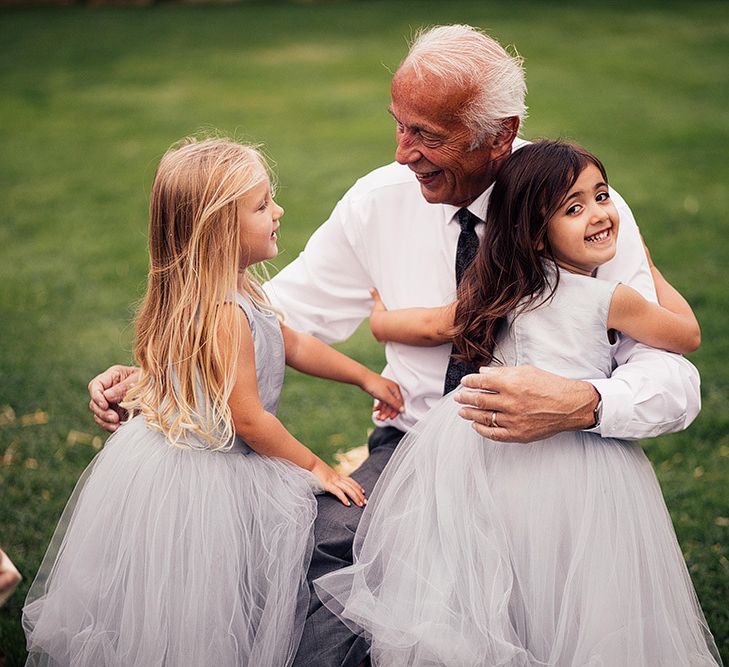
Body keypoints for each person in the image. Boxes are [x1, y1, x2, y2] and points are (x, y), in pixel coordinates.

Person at [88, 26, 701, 666]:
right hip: (411, 448)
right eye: (399, 125)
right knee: (323, 579)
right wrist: (170, 374)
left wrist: (583, 404)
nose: (403, 153)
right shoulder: (381, 199)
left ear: (500, 134)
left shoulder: (584, 210)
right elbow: (276, 317)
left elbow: (673, 374)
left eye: (429, 135)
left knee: (545, 605)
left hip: (557, 458)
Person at [315, 140, 721, 666]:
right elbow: (686, 334)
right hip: (575, 464)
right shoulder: (612, 300)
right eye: (573, 208)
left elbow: (414, 325)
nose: (599, 213)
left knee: (496, 590)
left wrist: (378, 312)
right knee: (575, 594)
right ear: (535, 229)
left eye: (601, 196)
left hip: (481, 459)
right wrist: (647, 264)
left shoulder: (496, 285)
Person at [23, 137, 403, 667]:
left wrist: (365, 376)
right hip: (210, 477)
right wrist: (317, 468)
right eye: (263, 204)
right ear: (220, 228)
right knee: (204, 610)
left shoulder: (236, 290)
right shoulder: (224, 312)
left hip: (207, 463)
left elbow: (290, 342)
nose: (279, 211)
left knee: (229, 600)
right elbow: (247, 418)